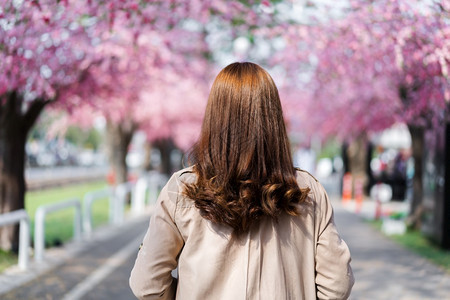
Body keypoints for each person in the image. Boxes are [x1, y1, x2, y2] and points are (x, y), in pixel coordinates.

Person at [129, 62, 354, 299]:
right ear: (273, 118)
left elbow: (148, 284)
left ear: (215, 116)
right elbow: (337, 284)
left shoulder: (184, 190)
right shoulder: (307, 190)